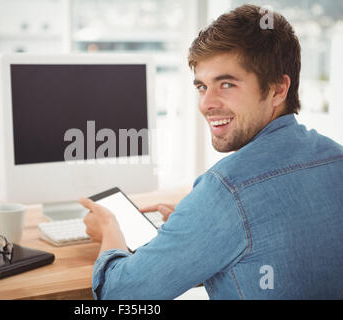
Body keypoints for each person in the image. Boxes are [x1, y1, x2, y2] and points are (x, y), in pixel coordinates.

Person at [78, 4, 343, 299]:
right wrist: (201, 228)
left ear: (278, 89)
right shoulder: (336, 159)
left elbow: (118, 295)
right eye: (202, 87)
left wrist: (111, 232)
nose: (206, 103)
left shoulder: (226, 191)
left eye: (226, 84)